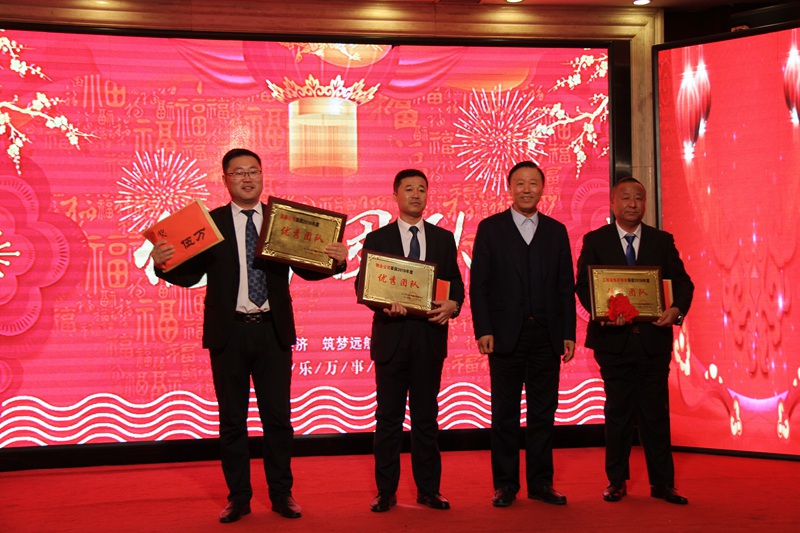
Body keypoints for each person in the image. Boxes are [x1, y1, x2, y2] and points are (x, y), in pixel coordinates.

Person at [150, 148, 347, 523]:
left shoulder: (282, 222)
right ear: (225, 179)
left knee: (278, 419)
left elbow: (308, 268)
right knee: (232, 421)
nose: (246, 178)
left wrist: (335, 259)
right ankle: (239, 497)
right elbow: (189, 274)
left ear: (262, 176)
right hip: (229, 334)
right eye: (238, 172)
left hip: (272, 332)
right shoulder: (210, 224)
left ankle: (282, 494)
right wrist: (163, 265)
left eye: (253, 171)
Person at [575, 177, 694, 505]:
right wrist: (603, 313)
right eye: (625, 198)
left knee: (656, 414)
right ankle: (616, 481)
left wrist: (676, 310)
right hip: (613, 343)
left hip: (653, 341)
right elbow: (584, 286)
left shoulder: (662, 240)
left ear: (645, 203)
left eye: (638, 198)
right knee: (618, 413)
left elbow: (683, 283)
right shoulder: (595, 240)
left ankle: (663, 484)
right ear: (613, 203)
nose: (632, 203)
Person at [356, 169, 465, 513]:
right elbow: (363, 285)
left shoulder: (443, 238)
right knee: (388, 419)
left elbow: (456, 284)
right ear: (396, 195)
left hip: (429, 339)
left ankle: (429, 490)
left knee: (426, 419)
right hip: (391, 339)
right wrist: (384, 303)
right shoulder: (378, 238)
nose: (416, 195)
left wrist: (453, 304)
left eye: (421, 189)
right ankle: (385, 492)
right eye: (409, 189)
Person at [470, 161, 576, 508]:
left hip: (546, 336)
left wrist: (568, 332)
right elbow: (479, 285)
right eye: (520, 183)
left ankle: (541, 483)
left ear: (543, 189)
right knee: (504, 412)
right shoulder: (490, 228)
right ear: (510, 188)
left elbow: (565, 287)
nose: (527, 189)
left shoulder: (556, 231)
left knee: (543, 412)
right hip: (504, 337)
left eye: (533, 183)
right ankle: (505, 485)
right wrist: (483, 329)